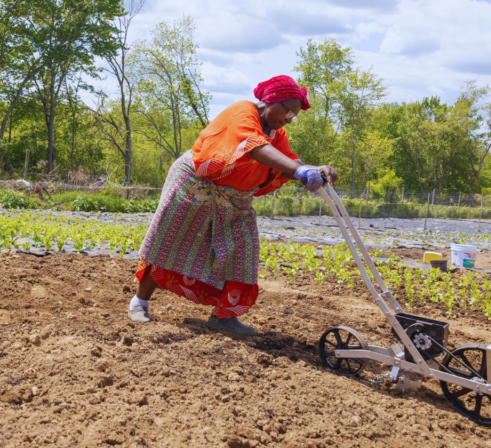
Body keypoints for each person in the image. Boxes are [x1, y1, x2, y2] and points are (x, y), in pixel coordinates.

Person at [128, 75, 338, 336]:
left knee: (243, 249)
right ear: (272, 101)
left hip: (234, 197)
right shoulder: (243, 112)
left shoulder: (276, 134)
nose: (288, 120)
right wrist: (299, 170)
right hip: (195, 184)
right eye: (288, 113)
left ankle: (224, 317)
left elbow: (287, 161)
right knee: (170, 240)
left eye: (293, 117)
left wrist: (315, 168)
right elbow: (255, 148)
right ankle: (139, 303)